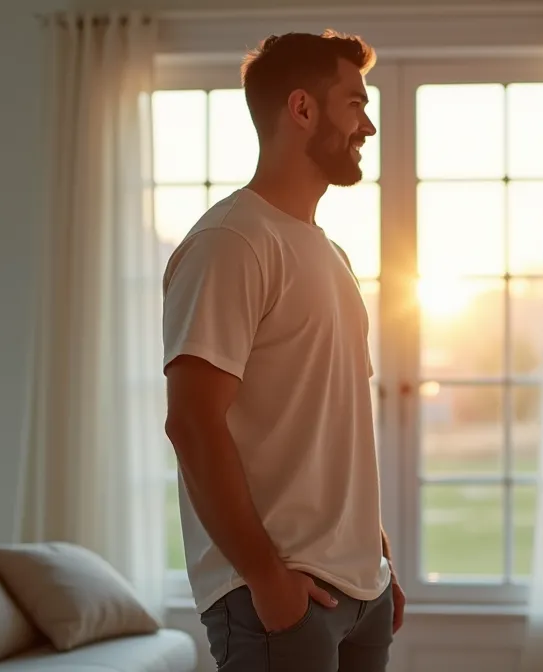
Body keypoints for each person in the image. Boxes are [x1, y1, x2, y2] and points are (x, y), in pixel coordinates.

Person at [161, 29, 404, 671]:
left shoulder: (332, 254)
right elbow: (191, 422)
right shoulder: (230, 243)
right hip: (283, 599)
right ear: (301, 109)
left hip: (362, 591)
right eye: (355, 103)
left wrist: (375, 556)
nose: (368, 126)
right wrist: (268, 582)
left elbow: (335, 422)